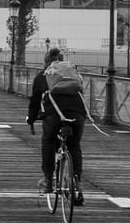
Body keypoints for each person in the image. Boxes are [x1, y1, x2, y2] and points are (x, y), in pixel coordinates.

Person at [27, 47, 87, 206]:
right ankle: (77, 184)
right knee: (74, 146)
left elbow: (34, 101)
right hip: (77, 113)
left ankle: (48, 180)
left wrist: (31, 119)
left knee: (48, 141)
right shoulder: (74, 75)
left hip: (55, 114)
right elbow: (82, 92)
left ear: (46, 62)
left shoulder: (43, 75)